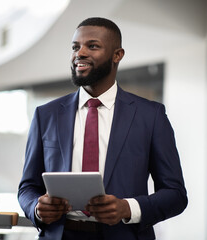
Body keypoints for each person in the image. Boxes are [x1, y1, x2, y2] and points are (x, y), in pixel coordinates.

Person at [18, 17, 187, 240]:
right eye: (75, 47)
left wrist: (128, 208)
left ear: (117, 55)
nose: (80, 53)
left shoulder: (150, 116)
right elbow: (27, 188)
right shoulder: (45, 115)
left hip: (123, 234)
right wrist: (37, 208)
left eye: (93, 46)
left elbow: (175, 195)